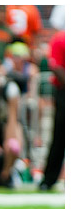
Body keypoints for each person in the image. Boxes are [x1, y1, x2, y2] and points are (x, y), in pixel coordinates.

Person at [39, 29, 64, 191]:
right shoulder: (60, 38)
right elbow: (55, 66)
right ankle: (49, 179)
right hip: (64, 90)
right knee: (60, 135)